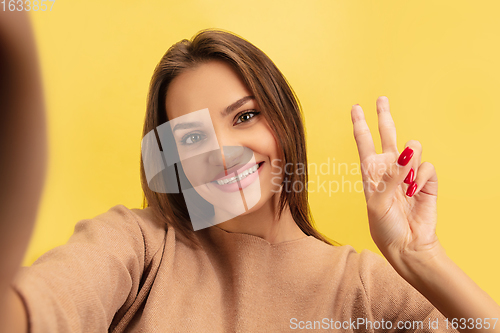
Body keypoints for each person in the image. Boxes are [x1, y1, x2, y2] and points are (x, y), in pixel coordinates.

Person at [1, 11, 499, 333]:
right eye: (192, 137)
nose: (223, 152)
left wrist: (421, 257)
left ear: (283, 120)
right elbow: (44, 305)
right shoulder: (140, 245)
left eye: (244, 116)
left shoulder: (360, 287)